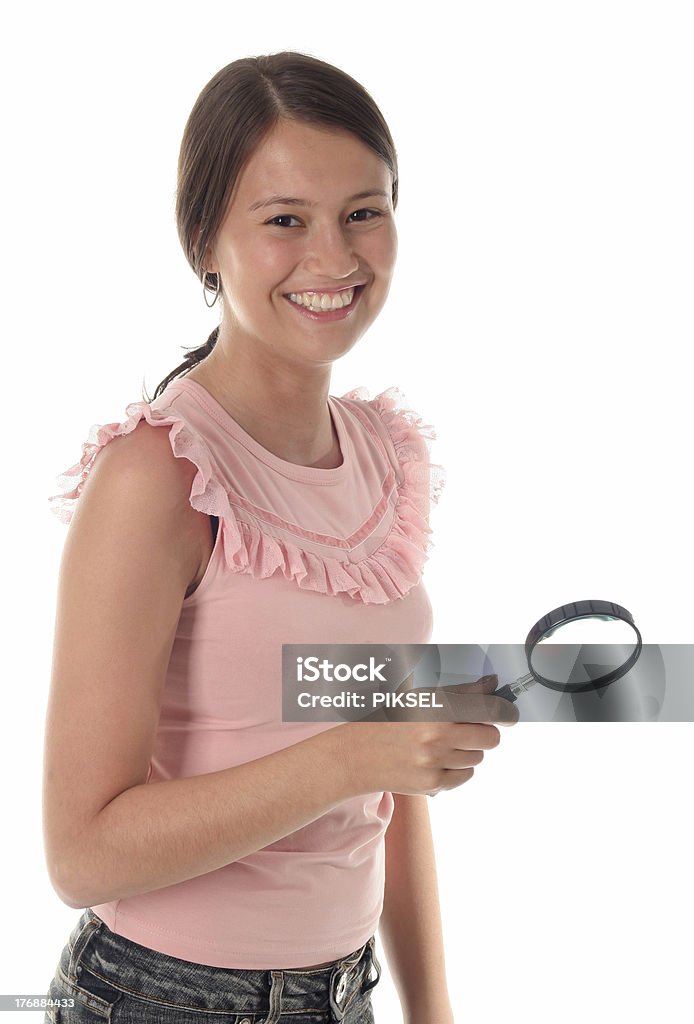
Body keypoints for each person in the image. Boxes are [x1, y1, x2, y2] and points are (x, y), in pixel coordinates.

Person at [42, 52, 517, 1024]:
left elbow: (391, 793)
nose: (335, 257)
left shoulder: (385, 459)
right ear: (203, 238)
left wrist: (433, 1014)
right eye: (284, 220)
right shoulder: (156, 476)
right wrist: (350, 757)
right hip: (164, 1002)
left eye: (364, 211)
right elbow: (80, 850)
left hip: (346, 996)